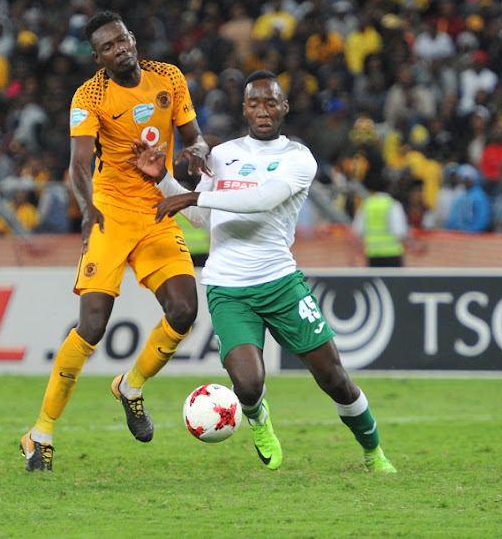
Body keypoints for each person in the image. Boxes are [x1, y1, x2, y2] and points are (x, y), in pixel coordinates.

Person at [129, 70, 397, 473]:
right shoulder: (221, 155)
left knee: (334, 379)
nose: (263, 110)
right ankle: (257, 419)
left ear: (284, 107)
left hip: (281, 284)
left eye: (271, 102)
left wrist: (190, 195)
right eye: (254, 103)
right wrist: (164, 180)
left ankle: (373, 452)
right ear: (244, 109)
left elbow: (263, 200)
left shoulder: (297, 157)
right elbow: (203, 217)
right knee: (248, 385)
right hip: (228, 288)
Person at [20, 11, 210, 472]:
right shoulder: (90, 96)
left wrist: (198, 151)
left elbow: (195, 137)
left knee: (185, 309)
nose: (118, 48)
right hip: (110, 212)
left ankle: (131, 385)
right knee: (92, 326)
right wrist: (88, 210)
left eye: (122, 39)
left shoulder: (169, 77)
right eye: (107, 46)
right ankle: (39, 433)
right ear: (98, 56)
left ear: (133, 38)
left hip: (158, 209)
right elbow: (79, 164)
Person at [352, 169, 409, 267]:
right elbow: (399, 231)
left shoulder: (367, 205)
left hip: (373, 254)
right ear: (389, 188)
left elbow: (357, 230)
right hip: (392, 254)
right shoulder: (393, 205)